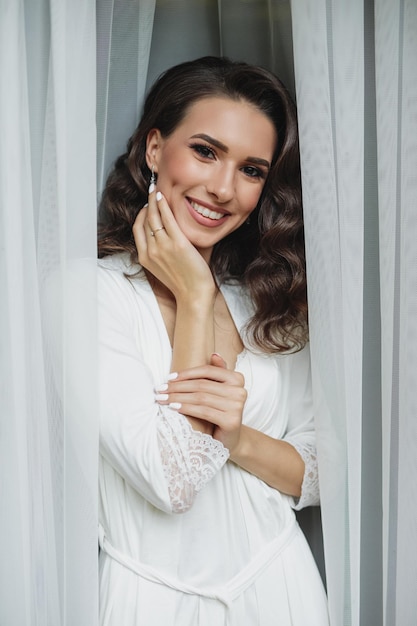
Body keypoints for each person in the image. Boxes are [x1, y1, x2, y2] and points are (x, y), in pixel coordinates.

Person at [97, 56, 329, 625]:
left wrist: (234, 436)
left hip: (283, 590)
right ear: (154, 148)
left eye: (252, 170)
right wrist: (195, 298)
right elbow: (170, 481)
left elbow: (323, 470)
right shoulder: (87, 296)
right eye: (206, 151)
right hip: (152, 601)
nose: (224, 188)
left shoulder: (267, 302)